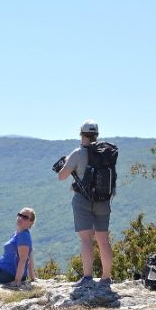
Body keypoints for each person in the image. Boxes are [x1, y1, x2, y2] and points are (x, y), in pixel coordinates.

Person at [57, 120, 112, 286]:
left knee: (86, 240)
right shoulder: (106, 153)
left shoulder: (77, 153)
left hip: (82, 200)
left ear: (81, 134)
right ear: (97, 134)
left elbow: (62, 176)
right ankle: (106, 277)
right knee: (103, 240)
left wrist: (68, 163)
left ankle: (87, 277)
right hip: (103, 200)